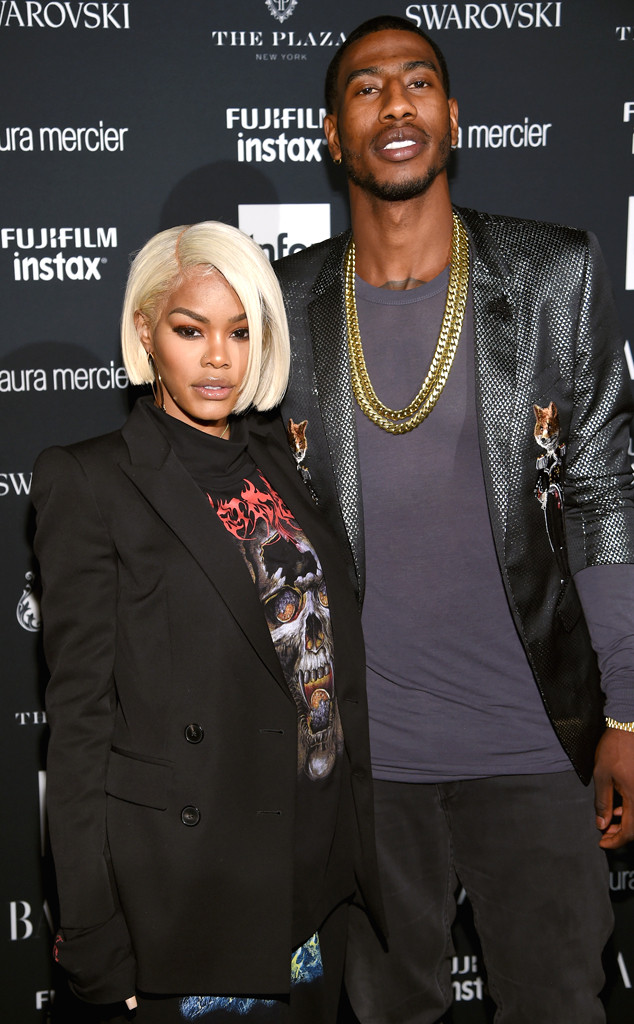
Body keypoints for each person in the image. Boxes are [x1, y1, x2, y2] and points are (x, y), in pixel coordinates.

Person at [274, 15, 634, 1024]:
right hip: (365, 766)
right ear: (332, 138)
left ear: (453, 117)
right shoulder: (285, 303)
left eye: (419, 81)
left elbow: (605, 488)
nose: (396, 102)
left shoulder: (554, 273)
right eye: (366, 87)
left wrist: (627, 713)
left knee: (561, 1004)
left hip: (534, 746)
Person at [33, 221, 383, 1023]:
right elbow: (79, 723)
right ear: (147, 334)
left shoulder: (277, 459)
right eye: (191, 331)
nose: (219, 357)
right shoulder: (90, 481)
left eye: (239, 332)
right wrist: (87, 929)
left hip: (313, 887)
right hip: (193, 893)